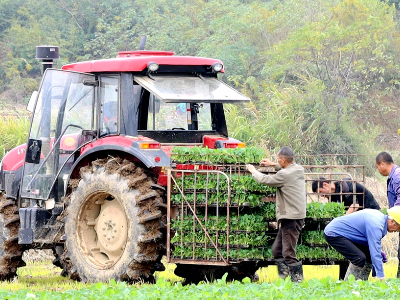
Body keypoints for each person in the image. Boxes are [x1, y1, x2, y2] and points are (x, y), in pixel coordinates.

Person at [246, 146, 306, 282]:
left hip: (292, 217)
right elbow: (285, 170)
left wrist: (253, 170)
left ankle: (298, 281)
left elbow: (265, 180)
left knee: (288, 252)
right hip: (292, 215)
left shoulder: (284, 175)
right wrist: (273, 164)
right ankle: (283, 277)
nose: (277, 161)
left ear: (284, 160)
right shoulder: (298, 169)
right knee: (277, 250)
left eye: (278, 160)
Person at [324, 207, 400, 280]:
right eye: (399, 227)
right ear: (392, 221)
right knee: (359, 258)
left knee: (369, 256)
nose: (398, 230)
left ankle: (361, 284)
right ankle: (348, 286)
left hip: (348, 235)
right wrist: (381, 276)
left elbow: (372, 247)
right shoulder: (376, 225)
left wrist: (377, 254)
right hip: (334, 233)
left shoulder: (380, 220)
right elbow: (375, 252)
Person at [375, 151, 400, 278]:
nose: (378, 170)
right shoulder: (394, 176)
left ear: (383, 164)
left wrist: (393, 216)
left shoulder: (397, 176)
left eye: (377, 166)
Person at [311, 177, 380, 214]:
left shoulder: (344, 185)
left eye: (320, 192)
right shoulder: (331, 197)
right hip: (360, 215)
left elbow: (355, 205)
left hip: (372, 211)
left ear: (325, 185)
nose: (321, 195)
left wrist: (342, 220)